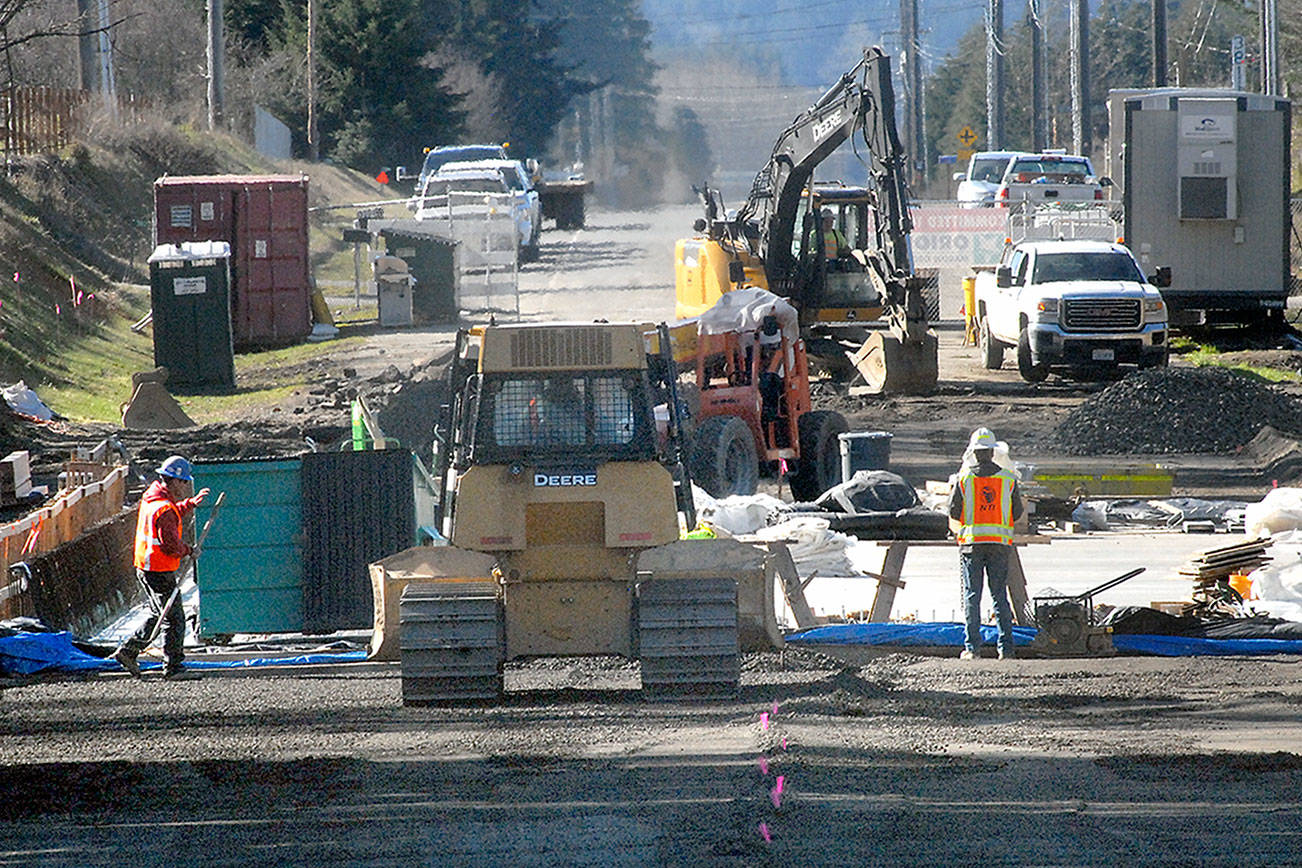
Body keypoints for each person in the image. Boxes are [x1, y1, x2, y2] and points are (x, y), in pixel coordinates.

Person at [112, 456, 210, 680]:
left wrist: (190, 504)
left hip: (147, 566)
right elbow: (170, 544)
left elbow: (171, 512)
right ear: (174, 481)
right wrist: (189, 550)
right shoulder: (164, 508)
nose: (186, 486)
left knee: (159, 613)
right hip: (158, 569)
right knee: (174, 618)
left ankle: (128, 651)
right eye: (184, 482)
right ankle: (173, 667)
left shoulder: (153, 497)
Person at [948, 428, 1023, 660]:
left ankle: (972, 649)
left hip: (972, 545)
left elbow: (953, 511)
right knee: (999, 595)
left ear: (974, 452)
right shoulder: (1008, 479)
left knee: (972, 596)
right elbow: (1018, 512)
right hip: (999, 544)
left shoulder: (964, 479)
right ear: (992, 452)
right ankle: (1006, 650)